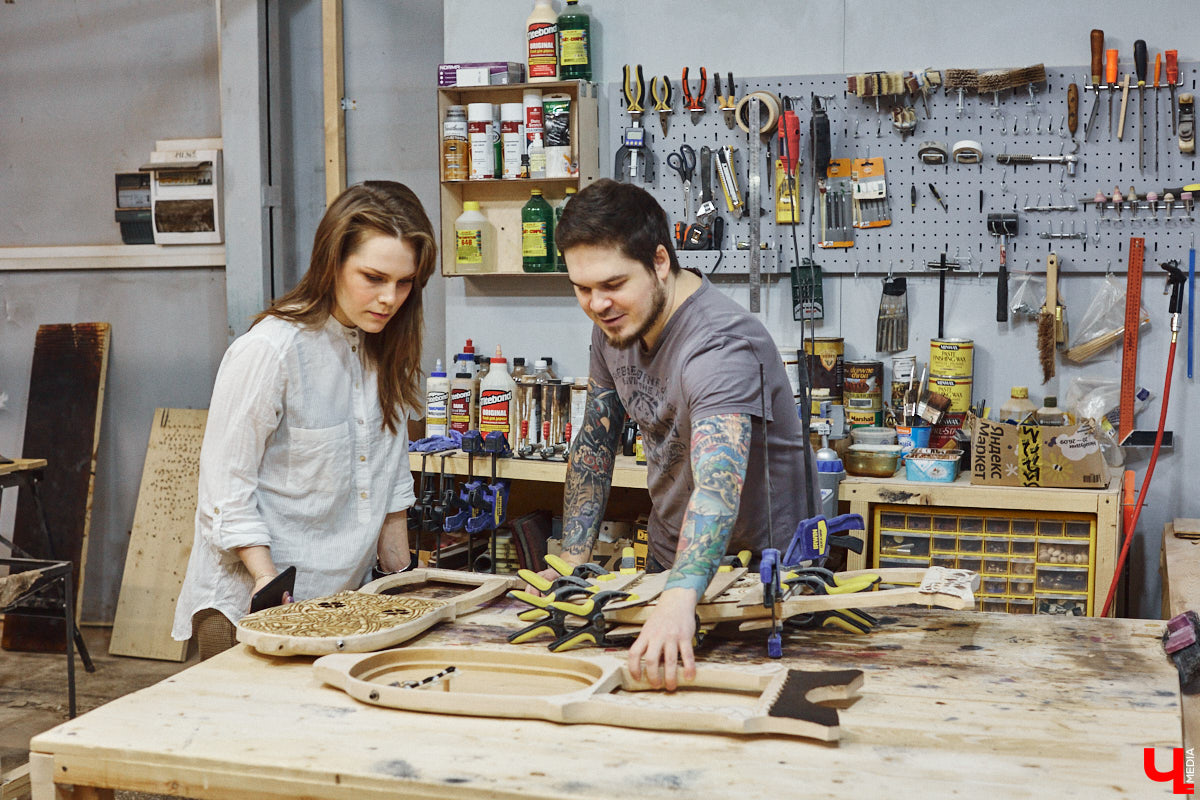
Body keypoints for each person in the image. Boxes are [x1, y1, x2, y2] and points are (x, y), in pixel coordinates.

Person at [553, 179, 816, 690]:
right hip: (671, 569)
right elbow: (595, 444)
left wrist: (680, 596)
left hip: (760, 583)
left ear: (659, 261)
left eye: (612, 285)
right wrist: (573, 563)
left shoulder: (719, 345)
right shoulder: (614, 327)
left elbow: (718, 486)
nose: (597, 304)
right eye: (582, 289)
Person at [172, 180, 437, 659]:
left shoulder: (386, 351)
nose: (389, 298)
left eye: (404, 283)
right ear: (332, 262)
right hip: (248, 607)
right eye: (373, 277)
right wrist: (265, 578)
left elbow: (390, 479)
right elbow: (224, 492)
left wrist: (402, 583)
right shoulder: (270, 350)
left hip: (341, 606)